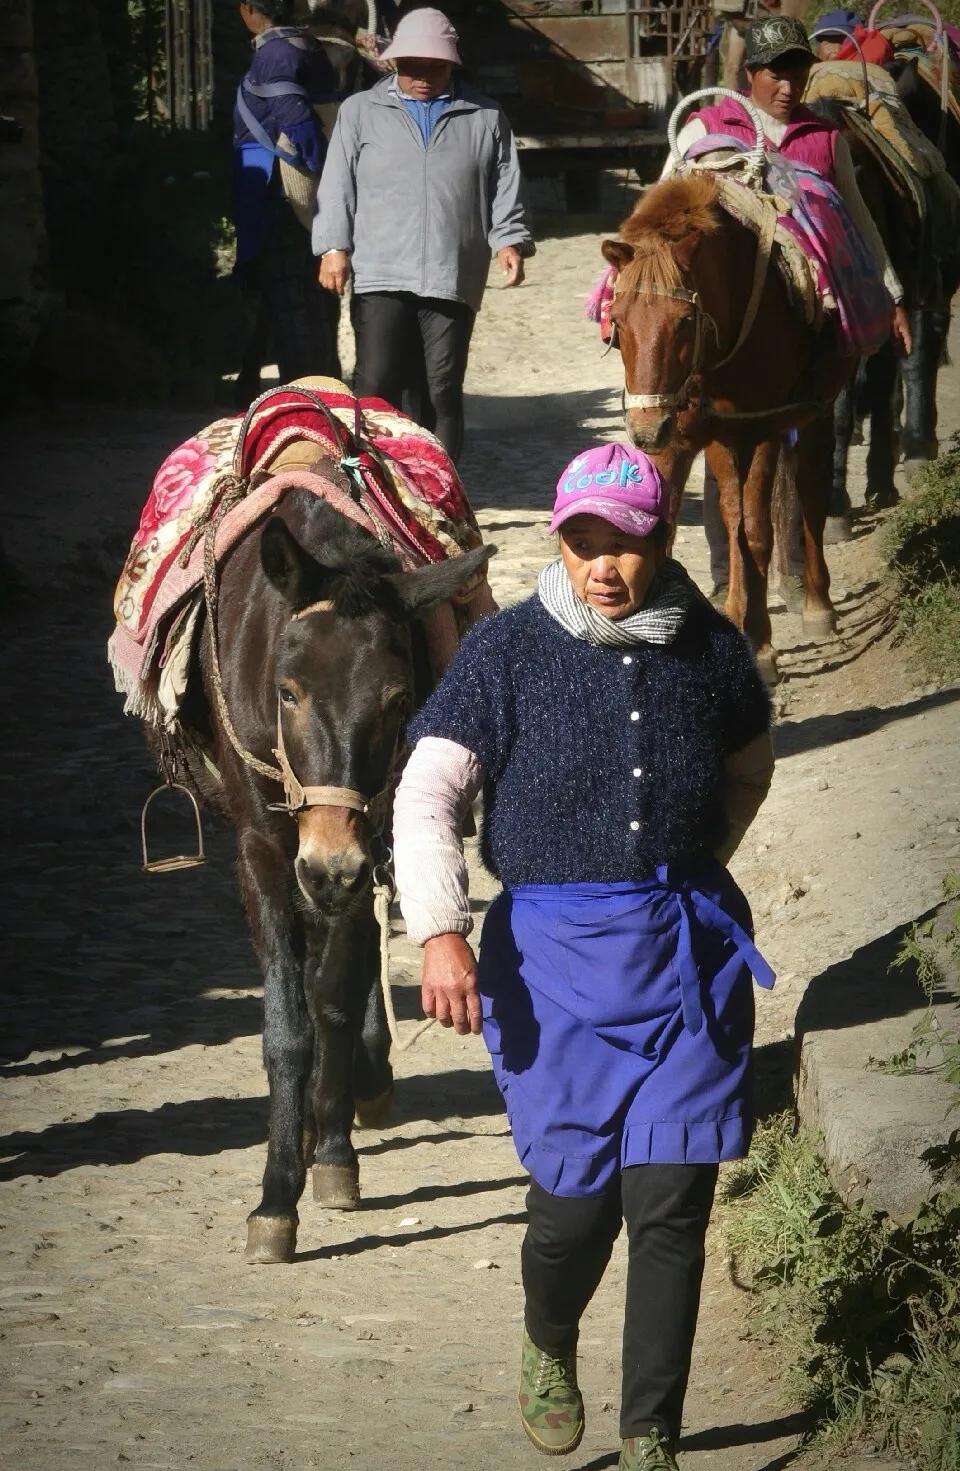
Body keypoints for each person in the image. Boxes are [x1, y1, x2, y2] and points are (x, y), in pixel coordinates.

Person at [392, 443, 776, 1471]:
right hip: (553, 967)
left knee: (671, 1200)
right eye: (582, 542)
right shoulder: (508, 652)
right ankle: (549, 1335)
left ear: (659, 539)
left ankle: (653, 1433)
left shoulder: (711, 648)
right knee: (574, 1207)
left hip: (687, 960)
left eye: (625, 543)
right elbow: (427, 793)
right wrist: (441, 929)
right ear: (560, 541)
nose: (603, 565)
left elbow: (749, 764)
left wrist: (692, 868)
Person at [313, 7, 534, 460]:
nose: (424, 76)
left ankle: (441, 493)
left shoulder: (485, 117)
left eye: (435, 66)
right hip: (381, 270)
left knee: (441, 389)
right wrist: (334, 246)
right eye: (412, 66)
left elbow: (505, 184)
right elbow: (336, 183)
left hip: (452, 271)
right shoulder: (360, 112)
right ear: (394, 62)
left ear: (452, 64)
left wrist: (509, 240)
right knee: (376, 384)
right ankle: (371, 487)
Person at [669, 15, 912, 356]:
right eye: (776, 76)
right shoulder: (707, 131)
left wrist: (893, 297)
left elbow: (857, 220)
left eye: (798, 77)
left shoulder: (825, 139)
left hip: (813, 313)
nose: (788, 89)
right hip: (726, 315)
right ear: (751, 73)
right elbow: (661, 213)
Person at [232, 0, 342, 404]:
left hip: (283, 203)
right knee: (301, 311)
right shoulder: (301, 44)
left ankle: (310, 410)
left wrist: (321, 178)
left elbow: (295, 121)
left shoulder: (277, 52)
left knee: (298, 317)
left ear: (247, 8)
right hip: (290, 204)